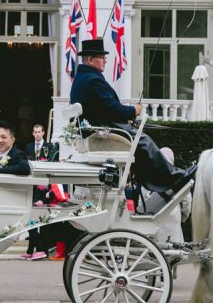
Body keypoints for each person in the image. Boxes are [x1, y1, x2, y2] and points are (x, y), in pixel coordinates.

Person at [69, 38, 194, 194]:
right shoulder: (93, 80)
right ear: (91, 60)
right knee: (143, 141)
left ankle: (157, 181)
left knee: (140, 140)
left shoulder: (82, 78)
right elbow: (113, 109)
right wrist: (133, 110)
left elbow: (100, 109)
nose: (105, 60)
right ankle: (172, 178)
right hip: (100, 133)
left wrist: (124, 117)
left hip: (95, 129)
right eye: (102, 57)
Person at [137, 147, 191, 244]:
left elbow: (142, 201)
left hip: (153, 213)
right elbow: (187, 201)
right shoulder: (179, 176)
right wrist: (183, 216)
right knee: (174, 242)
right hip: (173, 213)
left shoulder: (149, 176)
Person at [22, 124, 57, 260]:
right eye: (35, 132)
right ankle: (31, 250)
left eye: (39, 132)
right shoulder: (29, 147)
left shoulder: (50, 147)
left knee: (39, 221)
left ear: (43, 133)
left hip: (45, 189)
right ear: (32, 133)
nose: (37, 134)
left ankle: (41, 249)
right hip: (33, 186)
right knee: (31, 220)